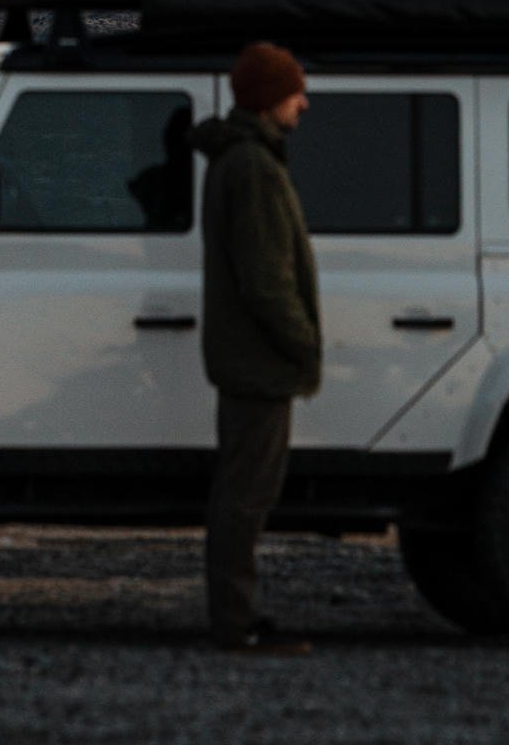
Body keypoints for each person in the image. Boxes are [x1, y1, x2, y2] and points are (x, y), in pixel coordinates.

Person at [191, 40, 321, 654]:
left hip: (246, 358)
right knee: (246, 497)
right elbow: (267, 280)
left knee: (239, 493)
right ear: (271, 99)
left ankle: (235, 616)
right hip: (259, 362)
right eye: (295, 90)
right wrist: (304, 345)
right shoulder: (254, 168)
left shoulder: (239, 161)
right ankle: (235, 624)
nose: (304, 102)